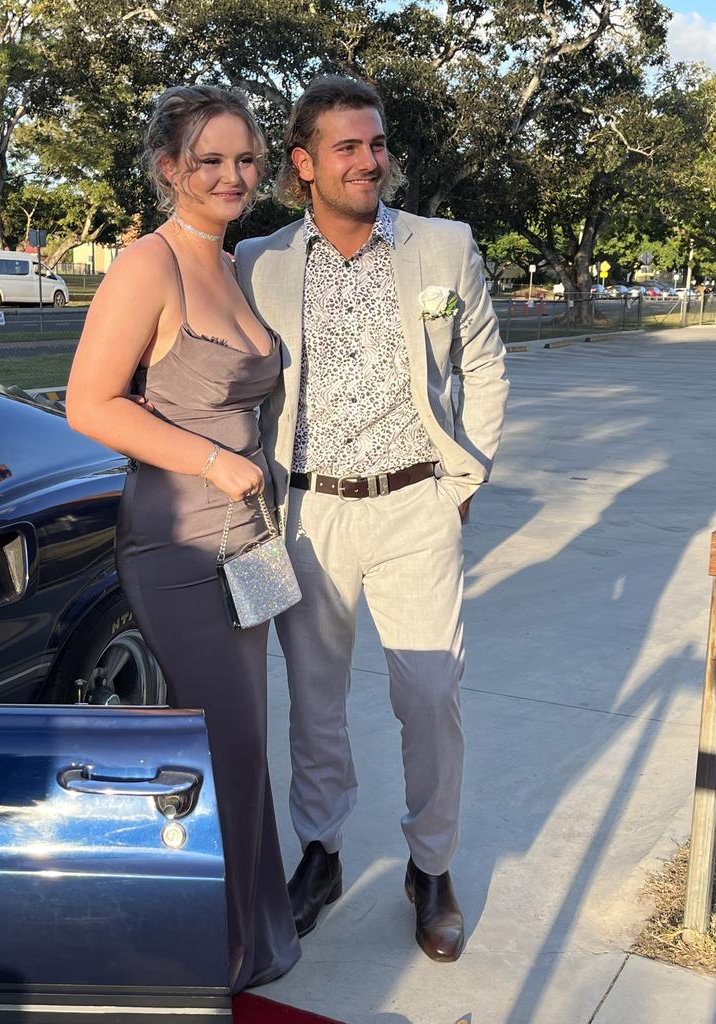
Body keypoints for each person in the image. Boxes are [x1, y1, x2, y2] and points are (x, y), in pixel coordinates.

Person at [235, 76, 509, 963]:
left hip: (416, 504)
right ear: (304, 164)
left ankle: (431, 867)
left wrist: (462, 482)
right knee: (314, 705)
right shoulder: (260, 261)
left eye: (377, 143)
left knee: (430, 696)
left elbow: (487, 368)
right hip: (310, 510)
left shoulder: (443, 246)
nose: (369, 160)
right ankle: (320, 853)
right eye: (347, 147)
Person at [66, 84, 300, 993]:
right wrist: (211, 461)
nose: (234, 175)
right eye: (211, 160)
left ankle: (256, 930)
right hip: (179, 541)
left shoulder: (234, 261)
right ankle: (213, 953)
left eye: (246, 159)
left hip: (248, 537)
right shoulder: (147, 264)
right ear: (170, 169)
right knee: (227, 742)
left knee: (247, 739)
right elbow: (91, 403)